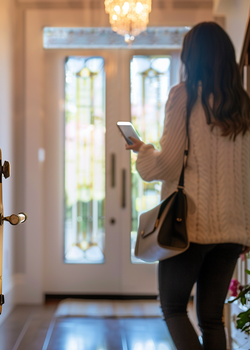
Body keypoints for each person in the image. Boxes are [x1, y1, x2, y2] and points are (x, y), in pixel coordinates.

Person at [126, 22, 250, 350]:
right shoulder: (244, 103)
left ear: (191, 56)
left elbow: (165, 166)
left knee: (173, 308)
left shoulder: (185, 94)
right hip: (232, 231)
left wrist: (143, 150)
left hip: (189, 227)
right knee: (212, 318)